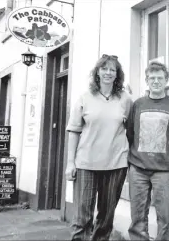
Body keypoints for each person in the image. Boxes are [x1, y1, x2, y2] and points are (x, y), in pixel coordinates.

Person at [65, 54, 133, 241]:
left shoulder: (125, 99)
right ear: (97, 72)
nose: (108, 73)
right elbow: (74, 131)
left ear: (117, 74)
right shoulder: (85, 98)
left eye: (112, 69)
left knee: (106, 218)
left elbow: (131, 130)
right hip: (86, 163)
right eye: (104, 69)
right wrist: (71, 163)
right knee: (82, 217)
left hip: (116, 164)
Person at [126, 61, 169, 240]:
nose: (156, 81)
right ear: (147, 81)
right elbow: (130, 134)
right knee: (137, 217)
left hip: (164, 170)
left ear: (166, 80)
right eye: (152, 78)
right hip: (138, 168)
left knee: (164, 217)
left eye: (160, 78)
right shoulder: (138, 104)